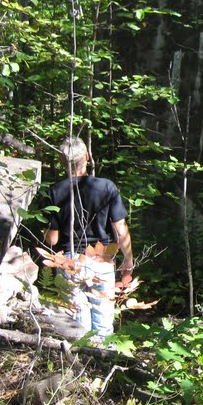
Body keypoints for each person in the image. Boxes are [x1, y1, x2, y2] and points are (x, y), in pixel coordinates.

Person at [44, 137, 133, 341]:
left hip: (70, 261)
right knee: (103, 322)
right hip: (102, 260)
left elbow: (52, 240)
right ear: (87, 157)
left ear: (61, 161)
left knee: (77, 323)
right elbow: (120, 229)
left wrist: (46, 231)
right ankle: (104, 363)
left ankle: (80, 365)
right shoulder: (107, 187)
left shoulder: (55, 191)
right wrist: (128, 260)